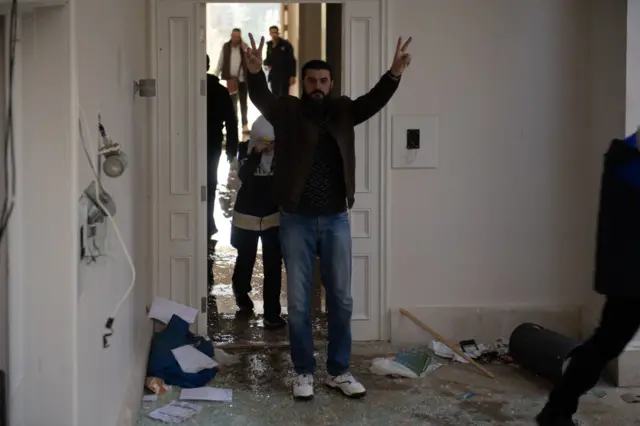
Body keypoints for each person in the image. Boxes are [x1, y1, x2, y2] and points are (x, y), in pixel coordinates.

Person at [243, 33, 412, 400]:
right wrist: (254, 72)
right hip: (296, 219)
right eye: (311, 81)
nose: (317, 86)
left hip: (336, 218)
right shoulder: (288, 111)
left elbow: (375, 100)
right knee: (301, 303)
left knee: (341, 300)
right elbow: (262, 99)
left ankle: (339, 371)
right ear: (302, 84)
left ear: (331, 84)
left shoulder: (344, 110)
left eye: (323, 81)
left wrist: (394, 73)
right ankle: (303, 372)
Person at [536, 129, 640, 426]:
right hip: (631, 277)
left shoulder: (624, 158)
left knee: (606, 342)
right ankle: (556, 411)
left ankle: (555, 410)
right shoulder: (627, 164)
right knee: (607, 342)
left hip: (627, 277)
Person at [229, 116, 286, 330]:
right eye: (265, 141)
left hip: (273, 215)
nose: (268, 147)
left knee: (273, 263)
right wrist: (256, 153)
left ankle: (272, 313)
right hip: (247, 214)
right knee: (246, 258)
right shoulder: (246, 150)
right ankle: (241, 294)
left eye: (272, 142)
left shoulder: (283, 154)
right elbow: (244, 175)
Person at [206, 54, 238, 283]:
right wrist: (231, 149)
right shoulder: (219, 90)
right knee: (208, 183)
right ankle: (207, 222)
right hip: (212, 143)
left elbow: (231, 119)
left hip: (199, 142)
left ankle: (205, 222)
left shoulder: (188, 88)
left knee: (204, 184)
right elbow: (231, 120)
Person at [214, 28, 249, 134]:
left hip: (242, 80)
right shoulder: (226, 47)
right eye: (234, 36)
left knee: (243, 103)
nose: (235, 39)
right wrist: (216, 76)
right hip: (231, 80)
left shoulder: (244, 47)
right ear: (231, 36)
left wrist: (245, 48)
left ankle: (244, 125)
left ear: (240, 37)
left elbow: (249, 58)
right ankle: (234, 124)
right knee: (232, 103)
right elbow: (221, 61)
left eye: (237, 37)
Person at [264, 25, 297, 97]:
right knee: (274, 94)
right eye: (272, 33)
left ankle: (284, 108)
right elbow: (268, 59)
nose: (274, 35)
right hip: (274, 75)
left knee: (284, 95)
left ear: (278, 33)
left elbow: (292, 60)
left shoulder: (285, 44)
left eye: (275, 33)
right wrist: (266, 64)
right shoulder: (269, 45)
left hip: (284, 74)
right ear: (270, 33)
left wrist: (292, 75)